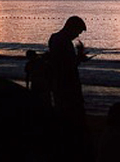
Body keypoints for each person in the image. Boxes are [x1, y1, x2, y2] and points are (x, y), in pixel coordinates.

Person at [48, 16, 91, 162]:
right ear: (71, 27)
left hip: (60, 84)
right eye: (78, 31)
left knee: (64, 114)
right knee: (71, 117)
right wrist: (79, 57)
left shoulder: (55, 38)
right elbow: (66, 66)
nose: (77, 35)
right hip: (67, 85)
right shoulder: (63, 42)